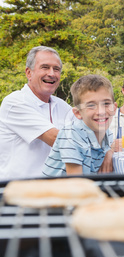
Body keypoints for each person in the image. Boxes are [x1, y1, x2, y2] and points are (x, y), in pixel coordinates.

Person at [0, 46, 72, 180]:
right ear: (29, 73)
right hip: (17, 193)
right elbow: (58, 139)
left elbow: (88, 132)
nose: (51, 74)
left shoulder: (63, 106)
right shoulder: (14, 102)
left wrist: (108, 148)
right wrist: (104, 145)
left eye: (56, 69)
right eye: (45, 67)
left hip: (52, 192)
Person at [42, 74, 117, 176]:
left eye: (106, 104)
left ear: (115, 107)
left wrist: (110, 151)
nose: (101, 111)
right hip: (53, 190)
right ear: (78, 113)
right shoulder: (71, 135)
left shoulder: (107, 134)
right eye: (91, 105)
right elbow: (76, 182)